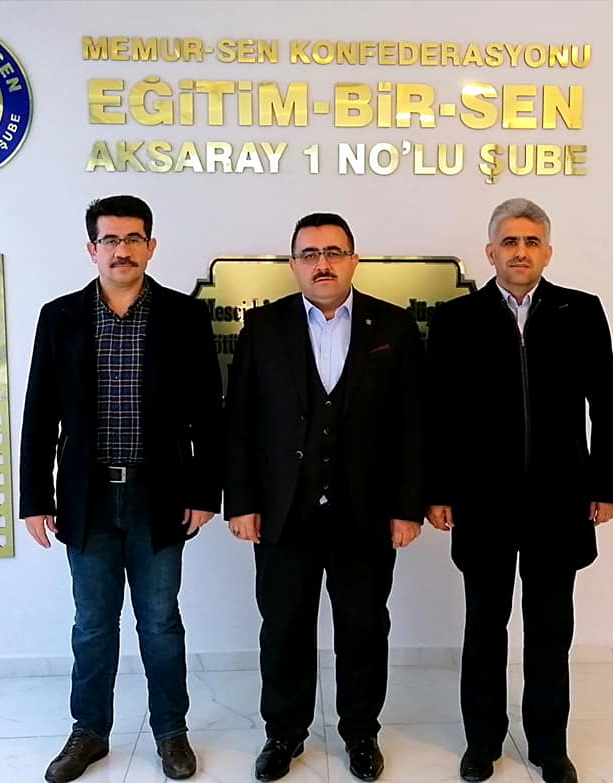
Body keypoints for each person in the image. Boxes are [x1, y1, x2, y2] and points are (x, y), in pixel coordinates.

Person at [19, 195, 222, 782]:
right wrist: (35, 499)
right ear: (92, 249)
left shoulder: (184, 316)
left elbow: (208, 413)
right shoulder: (59, 317)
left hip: (159, 497)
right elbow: (39, 413)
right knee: (91, 625)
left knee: (160, 623)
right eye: (110, 240)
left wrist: (205, 492)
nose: (122, 250)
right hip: (85, 500)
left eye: (133, 239)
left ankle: (171, 732)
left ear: (151, 246)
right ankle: (89, 731)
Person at [425, 198, 613, 783]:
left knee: (550, 631)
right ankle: (481, 743)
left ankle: (549, 745)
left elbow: (606, 403)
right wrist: (437, 490)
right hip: (481, 501)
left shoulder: (580, 311)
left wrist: (608, 484)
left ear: (548, 252)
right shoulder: (456, 318)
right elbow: (438, 414)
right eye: (509, 242)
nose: (520, 252)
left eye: (531, 242)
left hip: (560, 501)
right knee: (484, 629)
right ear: (490, 252)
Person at [224, 212, 425, 782]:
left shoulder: (394, 327)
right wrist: (241, 502)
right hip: (283, 512)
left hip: (366, 514)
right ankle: (283, 734)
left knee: (363, 630)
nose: (323, 264)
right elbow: (240, 420)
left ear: (354, 260)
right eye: (310, 254)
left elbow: (413, 424)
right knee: (284, 628)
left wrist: (407, 507)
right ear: (294, 264)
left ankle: (360, 733)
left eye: (334, 252)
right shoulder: (263, 327)